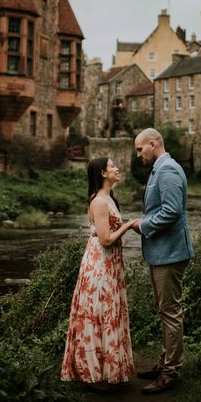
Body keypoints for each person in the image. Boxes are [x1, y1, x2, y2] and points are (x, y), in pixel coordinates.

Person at [61, 156, 135, 389]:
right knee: (97, 314)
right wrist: (129, 224)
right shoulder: (99, 202)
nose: (117, 168)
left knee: (108, 313)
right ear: (103, 173)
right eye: (113, 165)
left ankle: (108, 370)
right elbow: (105, 239)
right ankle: (93, 374)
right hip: (100, 265)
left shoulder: (109, 199)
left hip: (109, 264)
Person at [132, 128, 194, 394]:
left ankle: (170, 373)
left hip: (170, 254)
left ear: (153, 144)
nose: (138, 155)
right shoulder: (161, 168)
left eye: (139, 149)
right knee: (165, 310)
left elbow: (171, 211)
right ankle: (164, 363)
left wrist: (143, 225)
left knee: (170, 313)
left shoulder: (167, 170)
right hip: (163, 252)